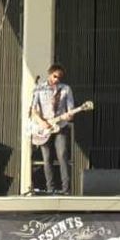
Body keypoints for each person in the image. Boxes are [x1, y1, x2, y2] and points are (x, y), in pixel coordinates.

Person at [31, 63, 75, 194]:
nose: (57, 79)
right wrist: (41, 122)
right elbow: (33, 110)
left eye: (60, 78)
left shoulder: (66, 89)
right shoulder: (39, 88)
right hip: (44, 128)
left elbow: (70, 110)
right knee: (47, 158)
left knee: (62, 155)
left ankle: (66, 189)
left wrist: (69, 116)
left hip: (60, 126)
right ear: (50, 74)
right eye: (55, 76)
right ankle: (50, 189)